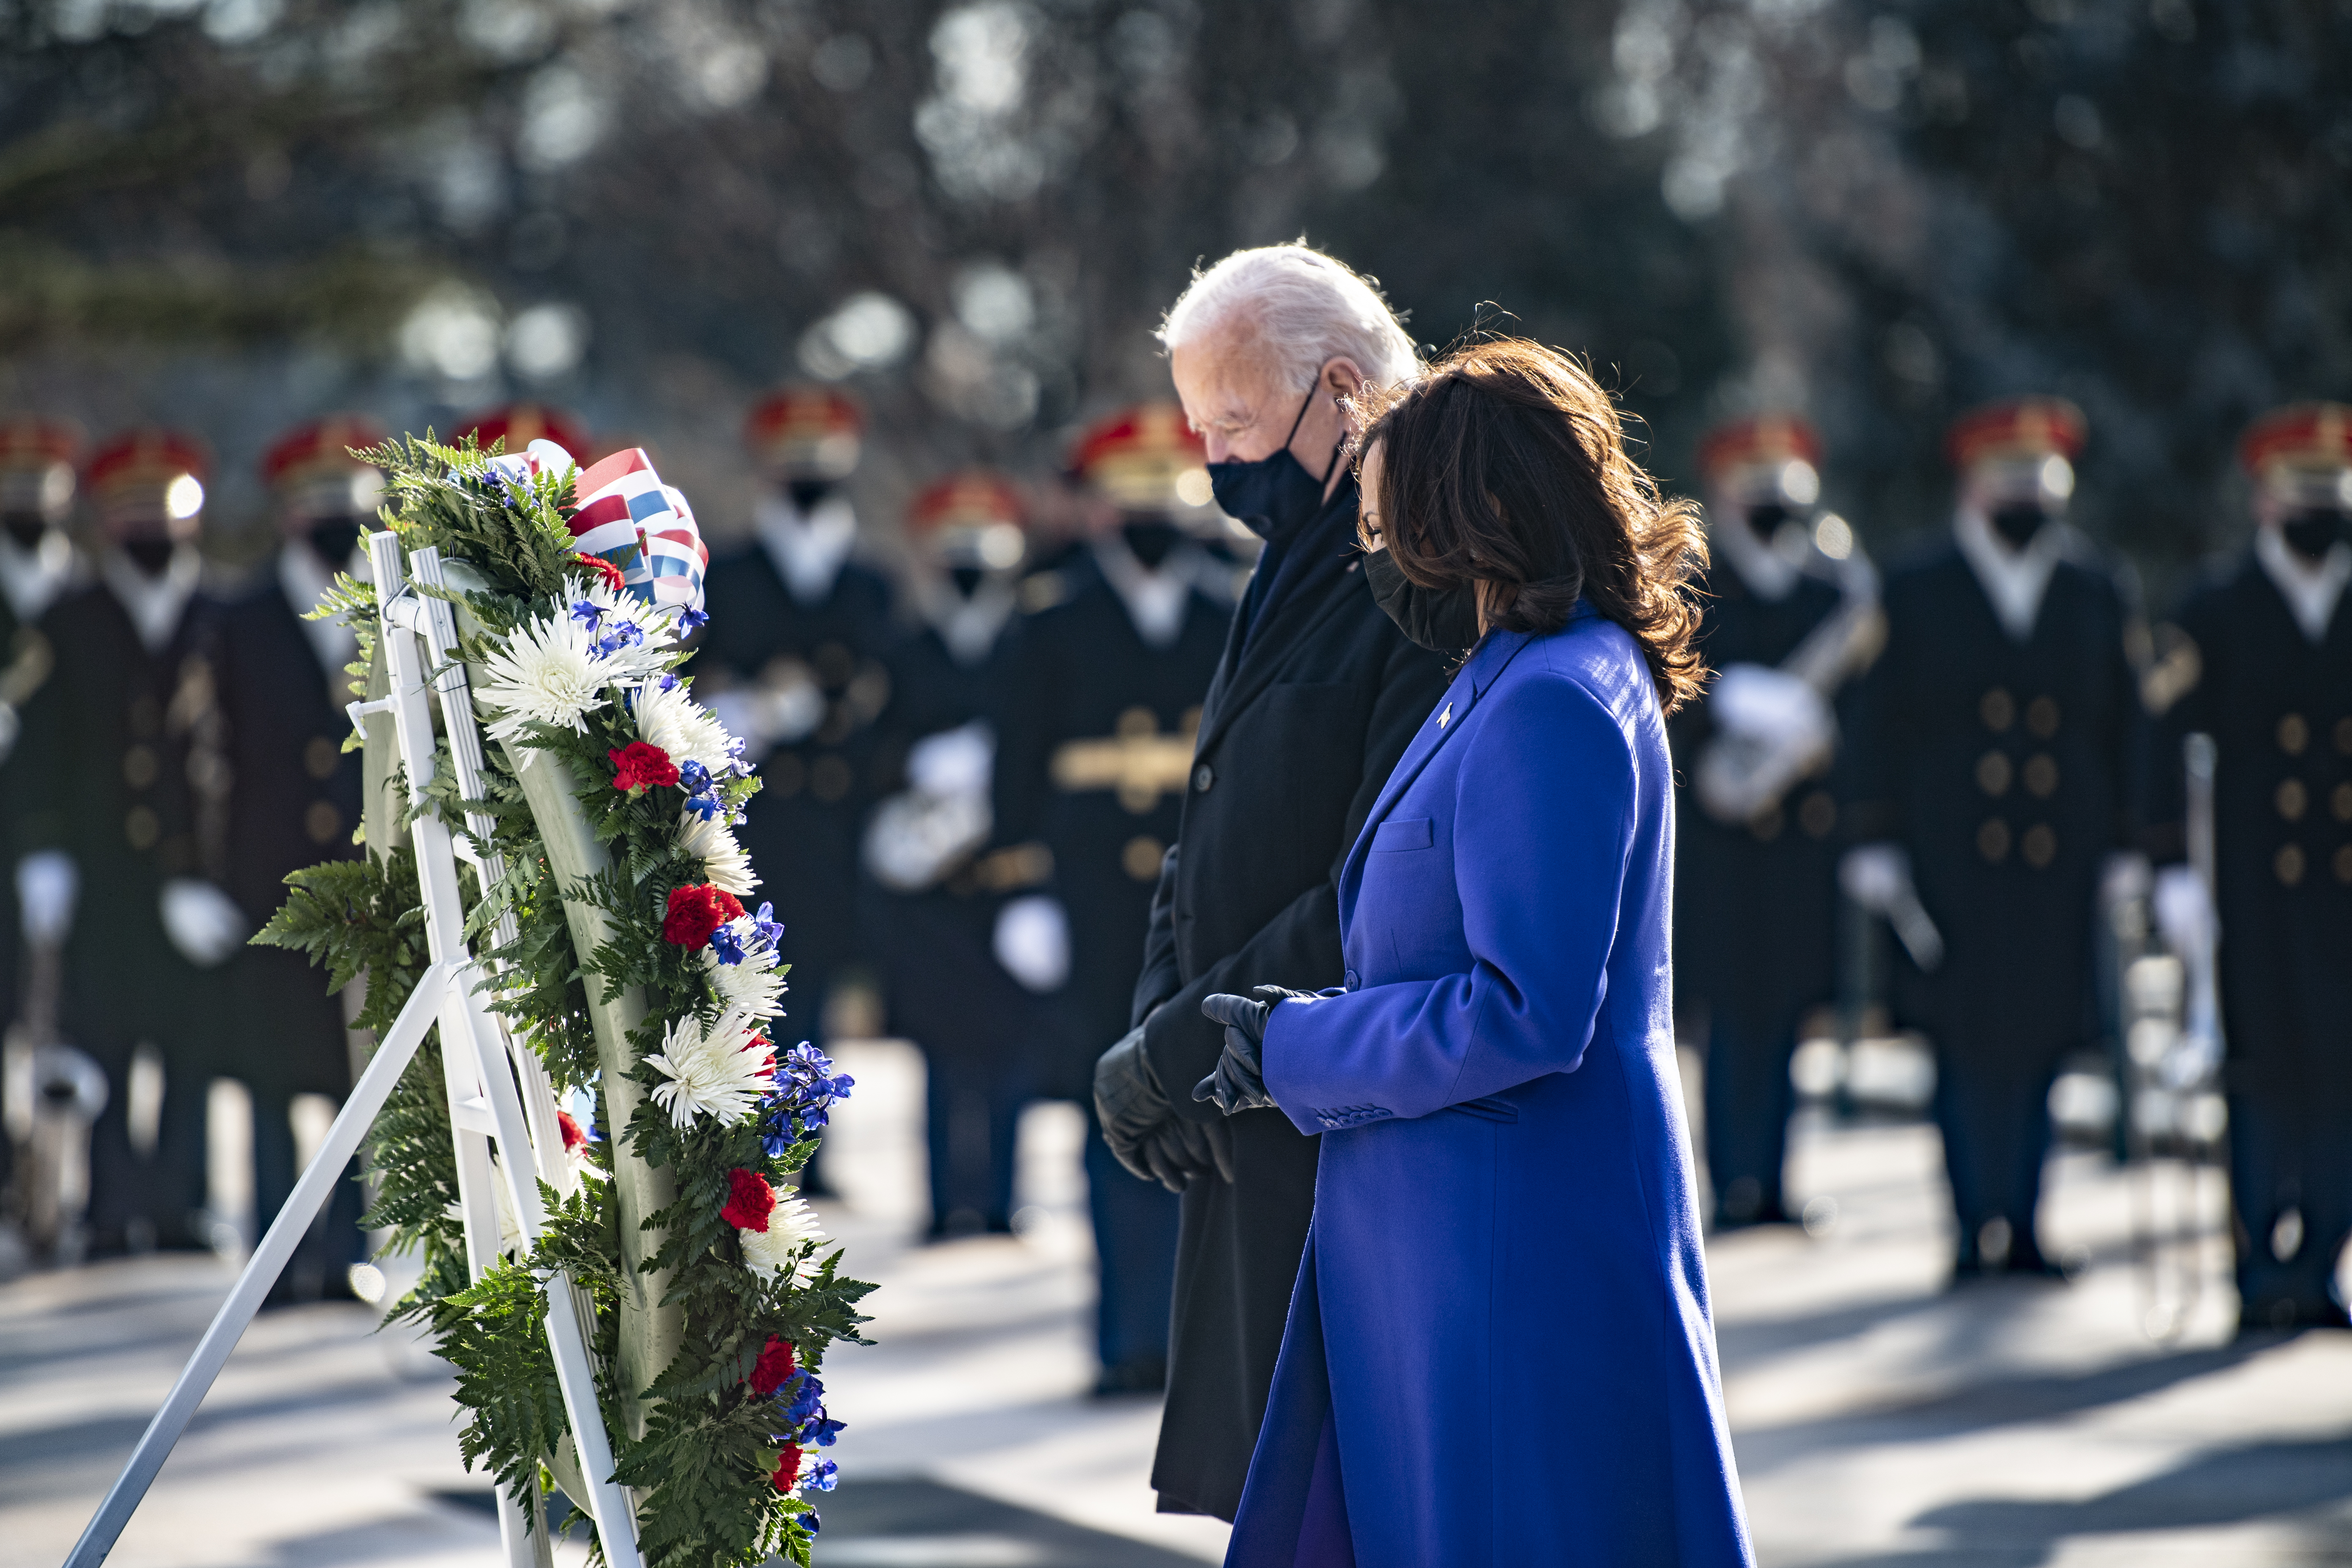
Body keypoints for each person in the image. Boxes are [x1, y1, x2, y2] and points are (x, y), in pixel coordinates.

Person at [1191, 338, 1751, 1565]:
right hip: (1455, 1245)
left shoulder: (1553, 695)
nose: (1377, 560)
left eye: (1393, 532)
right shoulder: (1519, 674)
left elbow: (1527, 1008)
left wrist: (1296, 1042)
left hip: (1508, 1258)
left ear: (1474, 521)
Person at [1090, 242, 1449, 1520]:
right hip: (1245, 1100)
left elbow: (1379, 887)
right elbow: (1216, 809)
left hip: (1341, 1125)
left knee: (1354, 1513)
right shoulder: (1301, 552)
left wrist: (1184, 1045)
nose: (1215, 464)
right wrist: (1156, 1024)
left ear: (1344, 390)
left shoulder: (1425, 575)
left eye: (1236, 423)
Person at [1841, 397, 2144, 1281]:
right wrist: (1874, 835)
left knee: (2044, 1043)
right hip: (1951, 857)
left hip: (2061, 854)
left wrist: (2133, 840)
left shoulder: (2095, 585)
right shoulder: (1916, 583)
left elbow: (2127, 722)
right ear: (1972, 485)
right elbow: (1876, 720)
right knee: (1965, 1045)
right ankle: (1976, 1225)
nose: (2025, 495)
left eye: (2039, 480)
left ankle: (2028, 1220)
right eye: (2008, 479)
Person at [990, 406, 1230, 1392]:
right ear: (1096, 510)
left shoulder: (1233, 604)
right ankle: (1128, 1335)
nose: (1148, 517)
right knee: (1115, 1114)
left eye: (1166, 497)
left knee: (1213, 1112)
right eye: (1129, 498)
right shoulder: (1051, 617)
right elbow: (1019, 764)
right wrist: (1020, 889)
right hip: (1090, 902)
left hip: (1208, 895)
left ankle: (1206, 1345)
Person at [2140, 401, 2352, 1331]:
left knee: (2342, 1076)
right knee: (2262, 1073)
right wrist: (2168, 869)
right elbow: (2158, 734)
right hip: (2251, 889)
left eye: (2333, 493)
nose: (2321, 509)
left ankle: (2324, 1262)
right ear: (2265, 500)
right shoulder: (2215, 607)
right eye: (2303, 493)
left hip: (2346, 892)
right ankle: (2261, 1267)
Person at [17, 429, 229, 1256]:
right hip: (99, 866)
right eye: (134, 512)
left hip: (190, 873)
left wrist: (215, 870)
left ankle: (180, 1203)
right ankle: (106, 1207)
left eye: (164, 510)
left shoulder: (219, 611)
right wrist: (42, 850)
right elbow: (41, 746)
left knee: (189, 1042)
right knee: (102, 1038)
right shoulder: (66, 619)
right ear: (108, 522)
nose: (150, 527)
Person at [1674, 415, 1880, 1228]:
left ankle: (1775, 1180)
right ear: (1725, 493)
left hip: (1801, 841)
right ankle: (1728, 1183)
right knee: (1725, 1018)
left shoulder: (1830, 591)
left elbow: (1866, 714)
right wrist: (1724, 700)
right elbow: (1660, 698)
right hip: (1717, 847)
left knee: (1790, 1015)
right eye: (1753, 486)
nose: (1770, 502)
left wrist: (1827, 747)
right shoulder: (1694, 586)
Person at [695, 387, 894, 1183]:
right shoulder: (733, 572)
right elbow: (696, 677)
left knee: (816, 984)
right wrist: (744, 711)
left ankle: (806, 1148)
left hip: (838, 815)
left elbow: (888, 692)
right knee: (745, 983)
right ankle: (748, 1143)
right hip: (756, 815)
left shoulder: (868, 579)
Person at [207, 415, 378, 1301]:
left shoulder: (390, 610)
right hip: (264, 876)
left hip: (361, 882)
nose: (333, 516)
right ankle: (273, 1255)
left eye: (347, 501)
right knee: (273, 1075)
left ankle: (349, 1246)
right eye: (316, 501)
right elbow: (207, 750)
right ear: (285, 512)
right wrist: (199, 874)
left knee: (355, 1072)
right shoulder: (235, 617)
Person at [860, 471, 1039, 1240]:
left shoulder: (1029, 638)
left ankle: (1000, 1201)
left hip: (1005, 879)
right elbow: (873, 751)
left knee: (1010, 1048)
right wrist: (917, 766)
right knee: (937, 1052)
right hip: (928, 886)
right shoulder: (907, 645)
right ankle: (941, 1203)